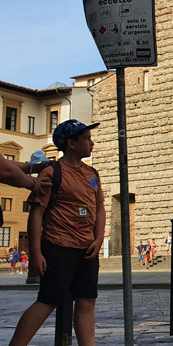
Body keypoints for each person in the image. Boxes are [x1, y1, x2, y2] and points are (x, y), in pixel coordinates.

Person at [10, 120, 105, 346]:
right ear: (71, 143)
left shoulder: (92, 173)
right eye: (87, 139)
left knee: (87, 300)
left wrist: (99, 238)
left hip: (87, 249)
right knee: (48, 301)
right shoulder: (52, 172)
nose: (92, 143)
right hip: (58, 247)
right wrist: (35, 252)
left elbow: (99, 208)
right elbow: (36, 214)